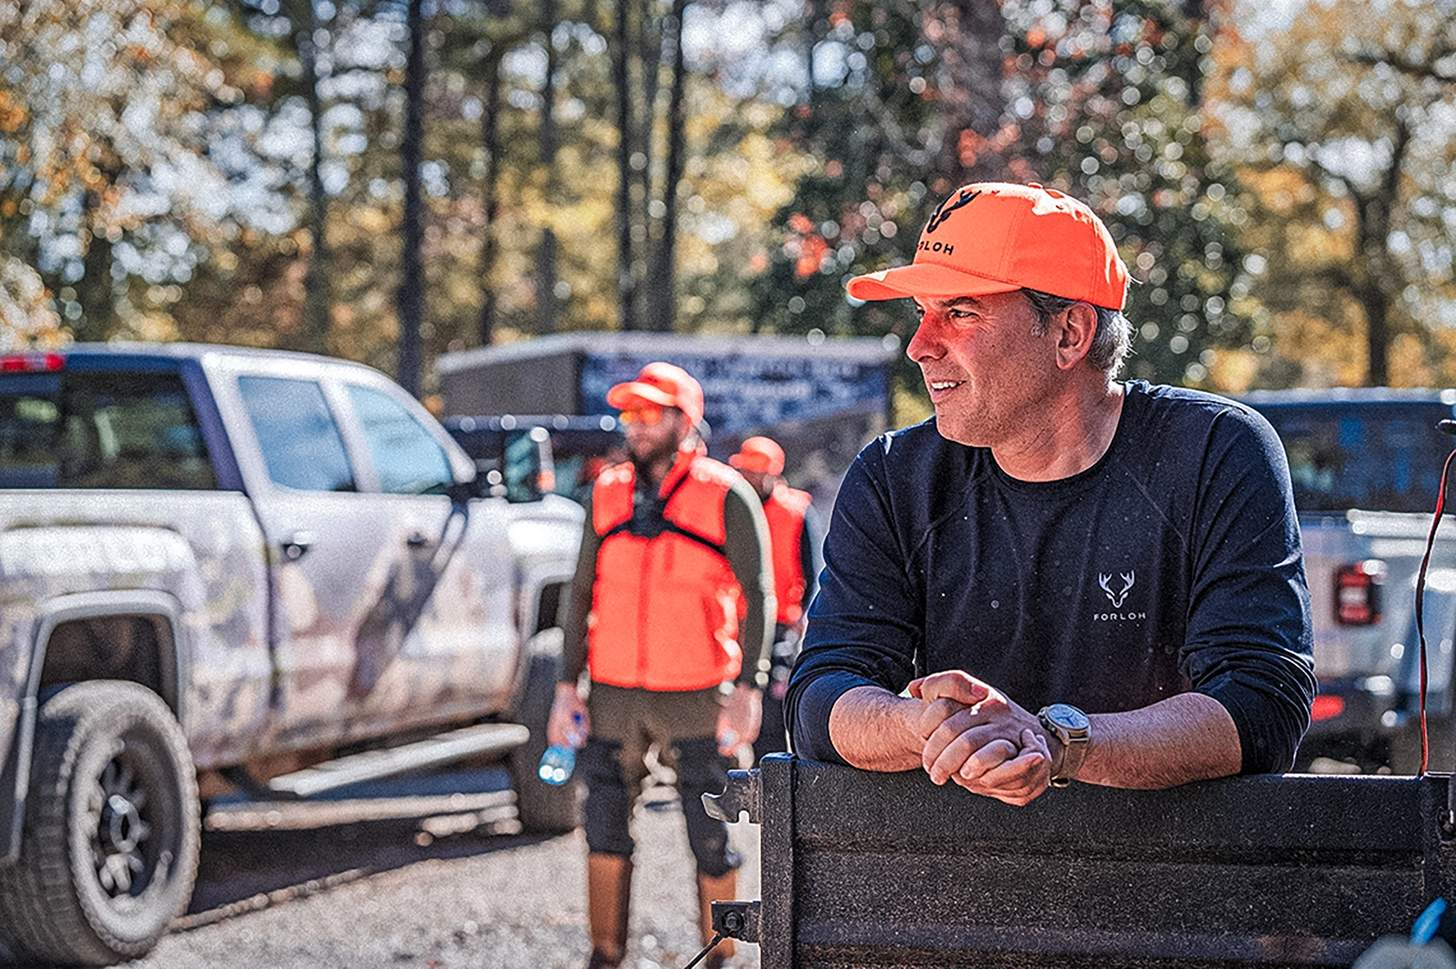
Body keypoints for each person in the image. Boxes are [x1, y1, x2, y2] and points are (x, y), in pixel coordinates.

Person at [785, 181, 1316, 806]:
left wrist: (1056, 742)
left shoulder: (1215, 449)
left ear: (1070, 333)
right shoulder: (894, 475)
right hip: (949, 871)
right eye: (922, 314)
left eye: (959, 312)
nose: (921, 345)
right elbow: (820, 692)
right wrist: (918, 727)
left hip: (1175, 875)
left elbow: (1262, 704)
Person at [549, 362, 774, 969]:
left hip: (699, 692)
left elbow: (760, 594)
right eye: (631, 415)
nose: (637, 426)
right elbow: (580, 591)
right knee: (602, 824)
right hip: (613, 694)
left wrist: (748, 688)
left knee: (711, 834)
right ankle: (604, 954)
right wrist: (566, 686)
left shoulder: (727, 493)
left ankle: (721, 955)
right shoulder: (606, 491)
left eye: (652, 414)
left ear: (685, 420)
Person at [727, 435, 823, 761]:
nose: (750, 479)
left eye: (756, 473)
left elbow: (813, 573)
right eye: (745, 472)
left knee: (771, 709)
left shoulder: (797, 511)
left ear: (773, 474)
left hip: (780, 625)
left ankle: (773, 782)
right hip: (733, 623)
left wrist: (803, 623)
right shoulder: (731, 508)